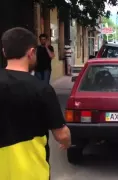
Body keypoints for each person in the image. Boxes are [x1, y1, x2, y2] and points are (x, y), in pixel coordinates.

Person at [0, 27, 71, 180]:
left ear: (4, 52)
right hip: (31, 172)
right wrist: (67, 142)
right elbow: (61, 134)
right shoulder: (42, 89)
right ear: (31, 53)